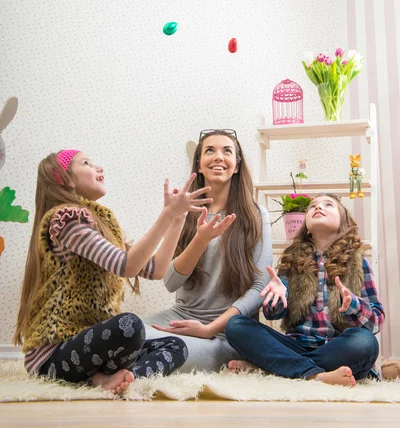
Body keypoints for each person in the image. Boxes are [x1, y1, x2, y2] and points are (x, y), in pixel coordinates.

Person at [14, 149, 212, 393]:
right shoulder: (65, 221)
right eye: (87, 163)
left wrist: (177, 219)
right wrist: (167, 213)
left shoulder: (101, 223)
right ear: (63, 178)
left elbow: (156, 269)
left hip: (92, 349)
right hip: (54, 357)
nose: (99, 168)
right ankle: (97, 379)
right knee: (129, 326)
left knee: (175, 346)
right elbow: (126, 266)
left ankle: (122, 379)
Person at [143, 129, 272, 372]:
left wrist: (208, 329)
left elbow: (260, 289)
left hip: (226, 331)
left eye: (227, 151)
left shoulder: (256, 216)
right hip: (182, 315)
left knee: (172, 350)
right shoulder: (184, 212)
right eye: (209, 150)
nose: (218, 157)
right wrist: (200, 239)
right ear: (199, 165)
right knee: (120, 332)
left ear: (236, 166)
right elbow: (170, 282)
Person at [225, 194, 384, 386]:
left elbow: (376, 323)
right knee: (236, 325)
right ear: (306, 227)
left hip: (337, 347)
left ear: (343, 223)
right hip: (295, 346)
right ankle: (315, 375)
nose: (318, 207)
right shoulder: (292, 261)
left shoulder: (359, 262)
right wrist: (276, 298)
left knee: (364, 342)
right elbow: (272, 315)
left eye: (328, 205)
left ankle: (272, 368)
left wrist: (355, 306)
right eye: (312, 206)